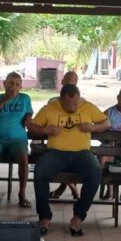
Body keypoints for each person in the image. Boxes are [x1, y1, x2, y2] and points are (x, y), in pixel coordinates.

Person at [29, 84, 110, 236]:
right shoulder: (50, 108)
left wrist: (91, 128)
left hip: (82, 153)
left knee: (95, 172)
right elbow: (32, 127)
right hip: (56, 153)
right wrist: (46, 130)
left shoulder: (88, 107)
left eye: (75, 103)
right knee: (39, 171)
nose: (73, 107)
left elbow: (107, 123)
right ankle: (44, 216)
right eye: (68, 104)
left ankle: (78, 216)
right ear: (61, 99)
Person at [0, 71, 34, 208]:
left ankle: (22, 194)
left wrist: (28, 116)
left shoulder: (25, 98)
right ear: (4, 84)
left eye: (17, 84)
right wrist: (6, 99)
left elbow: (29, 111)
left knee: (24, 158)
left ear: (21, 86)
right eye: (11, 83)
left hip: (17, 140)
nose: (13, 87)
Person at [49, 70, 81, 200]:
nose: (71, 85)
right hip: (56, 141)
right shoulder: (52, 101)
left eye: (74, 83)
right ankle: (72, 187)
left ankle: (63, 188)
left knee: (77, 158)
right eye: (68, 82)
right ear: (62, 82)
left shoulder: (81, 102)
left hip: (75, 142)